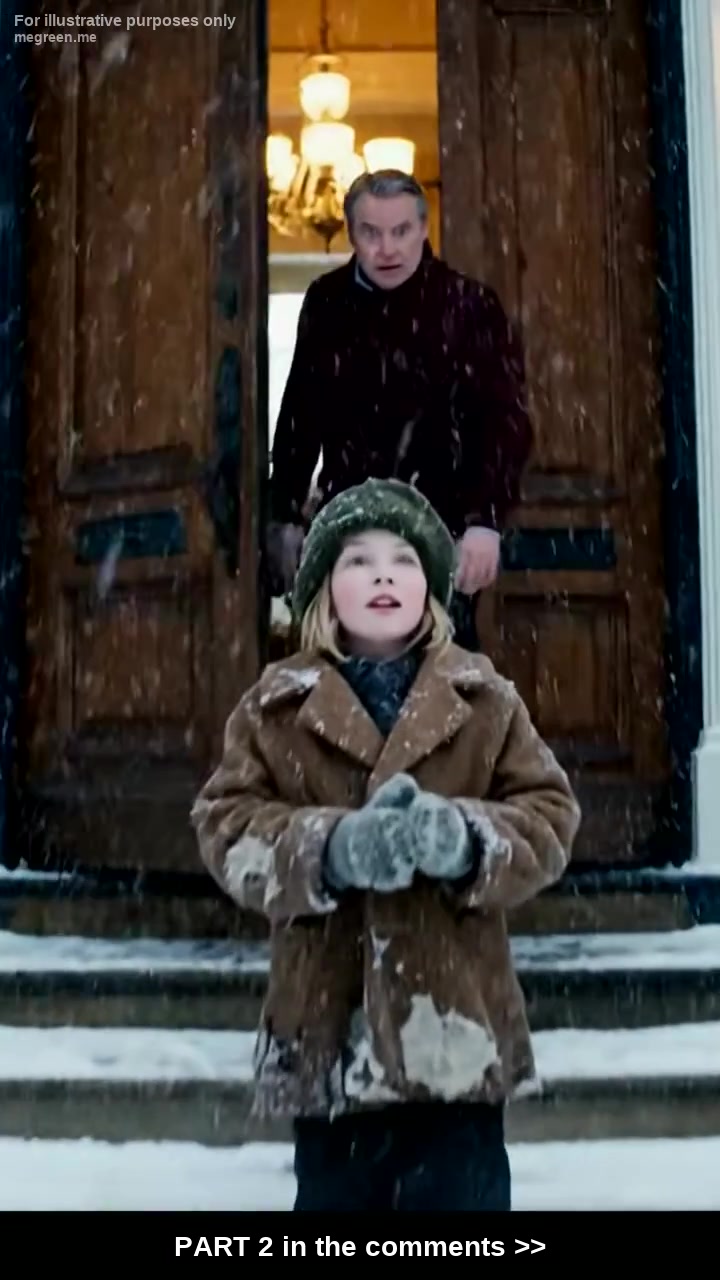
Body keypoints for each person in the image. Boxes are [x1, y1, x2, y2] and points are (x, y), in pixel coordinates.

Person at [191, 479, 580, 1212]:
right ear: (321, 592)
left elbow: (549, 816)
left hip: (455, 1034)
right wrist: (329, 848)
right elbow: (226, 824)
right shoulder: (275, 706)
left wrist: (464, 837)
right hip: (329, 1040)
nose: (381, 576)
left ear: (431, 590)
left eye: (402, 560)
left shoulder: (484, 699)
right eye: (357, 561)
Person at [266, 170, 533, 650]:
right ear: (350, 234)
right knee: (345, 689)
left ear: (424, 229)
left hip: (442, 531)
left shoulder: (469, 304)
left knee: (440, 689)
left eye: (401, 231)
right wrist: (284, 513)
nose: (387, 248)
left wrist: (484, 519)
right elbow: (299, 417)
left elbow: (502, 423)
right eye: (371, 232)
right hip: (347, 526)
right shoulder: (327, 304)